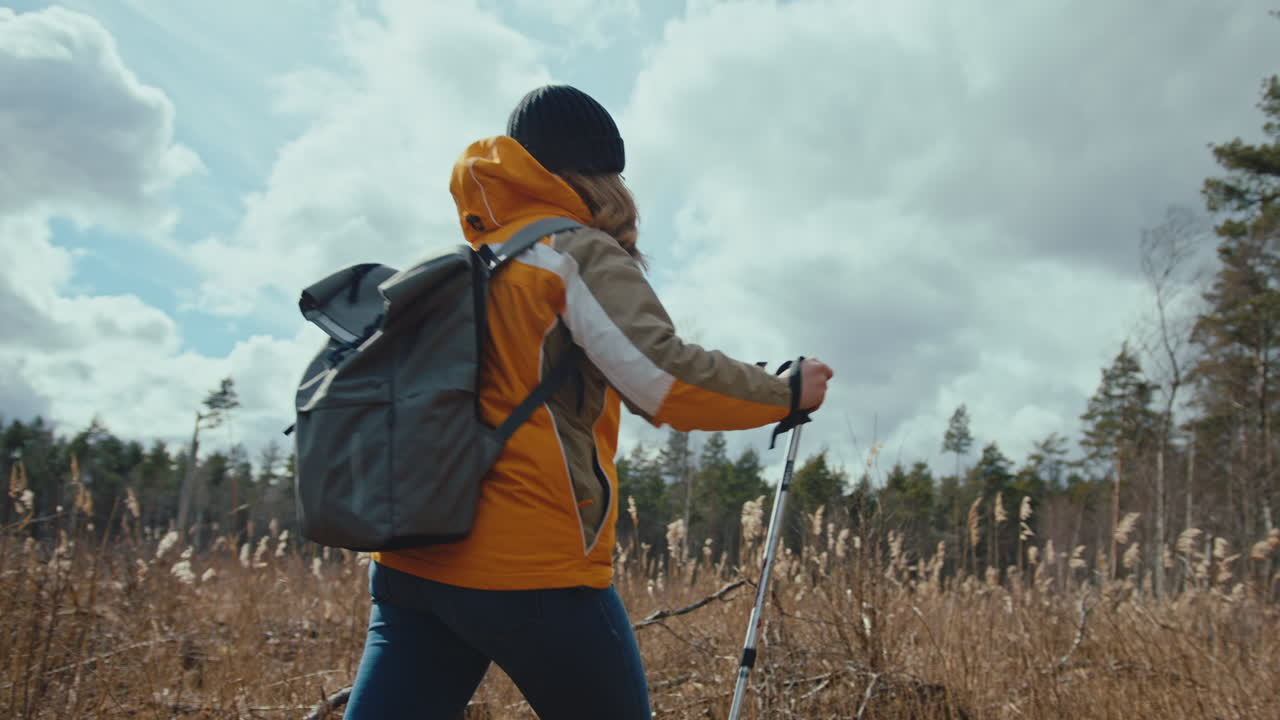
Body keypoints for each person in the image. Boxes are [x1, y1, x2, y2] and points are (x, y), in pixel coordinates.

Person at [343, 84, 834, 720]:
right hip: (529, 568)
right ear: (602, 173)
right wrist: (785, 393)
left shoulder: (468, 260)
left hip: (412, 558)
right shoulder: (571, 252)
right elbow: (663, 378)